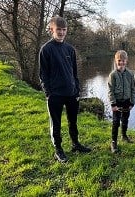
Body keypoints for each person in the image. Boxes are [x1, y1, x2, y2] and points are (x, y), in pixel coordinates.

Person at [39, 16, 91, 163]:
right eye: (58, 30)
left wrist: (77, 89)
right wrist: (48, 93)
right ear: (51, 30)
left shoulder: (70, 49)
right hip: (55, 94)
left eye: (64, 30)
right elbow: (43, 75)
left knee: (72, 121)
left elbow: (74, 72)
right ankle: (58, 150)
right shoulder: (46, 50)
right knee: (55, 123)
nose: (61, 32)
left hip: (71, 93)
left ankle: (75, 144)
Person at [107, 50, 135, 153]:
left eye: (123, 60)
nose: (121, 63)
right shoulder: (113, 75)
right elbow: (110, 90)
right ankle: (113, 142)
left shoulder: (130, 74)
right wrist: (113, 104)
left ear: (126, 61)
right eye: (119, 60)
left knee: (125, 120)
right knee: (115, 122)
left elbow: (134, 89)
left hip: (127, 102)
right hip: (117, 102)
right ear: (116, 61)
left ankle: (124, 135)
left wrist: (132, 102)